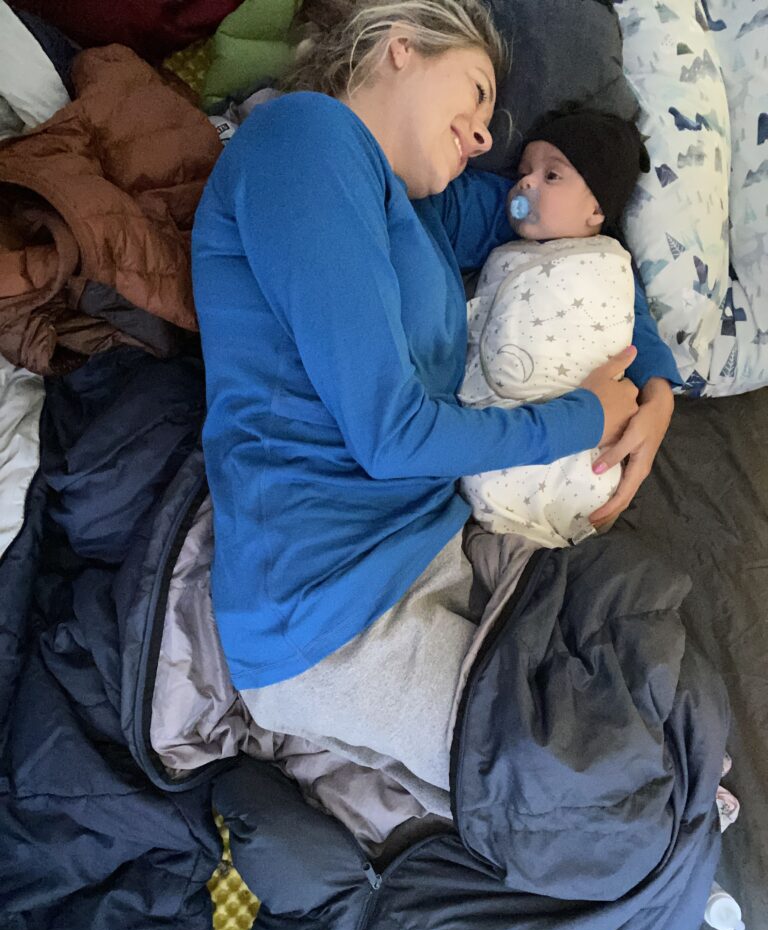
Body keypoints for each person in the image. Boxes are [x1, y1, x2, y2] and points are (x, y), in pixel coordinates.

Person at [191, 0, 680, 805]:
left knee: (638, 645)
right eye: (477, 93)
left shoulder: (424, 213)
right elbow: (390, 437)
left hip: (433, 548)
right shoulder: (304, 141)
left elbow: (585, 244)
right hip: (329, 606)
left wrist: (654, 387)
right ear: (401, 49)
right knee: (594, 794)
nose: (489, 140)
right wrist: (588, 417)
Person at [459, 107, 659, 547]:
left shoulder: (609, 266)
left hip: (590, 447)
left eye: (552, 176)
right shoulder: (503, 246)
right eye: (524, 171)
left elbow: (627, 328)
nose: (525, 183)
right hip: (511, 428)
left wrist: (659, 391)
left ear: (596, 210)